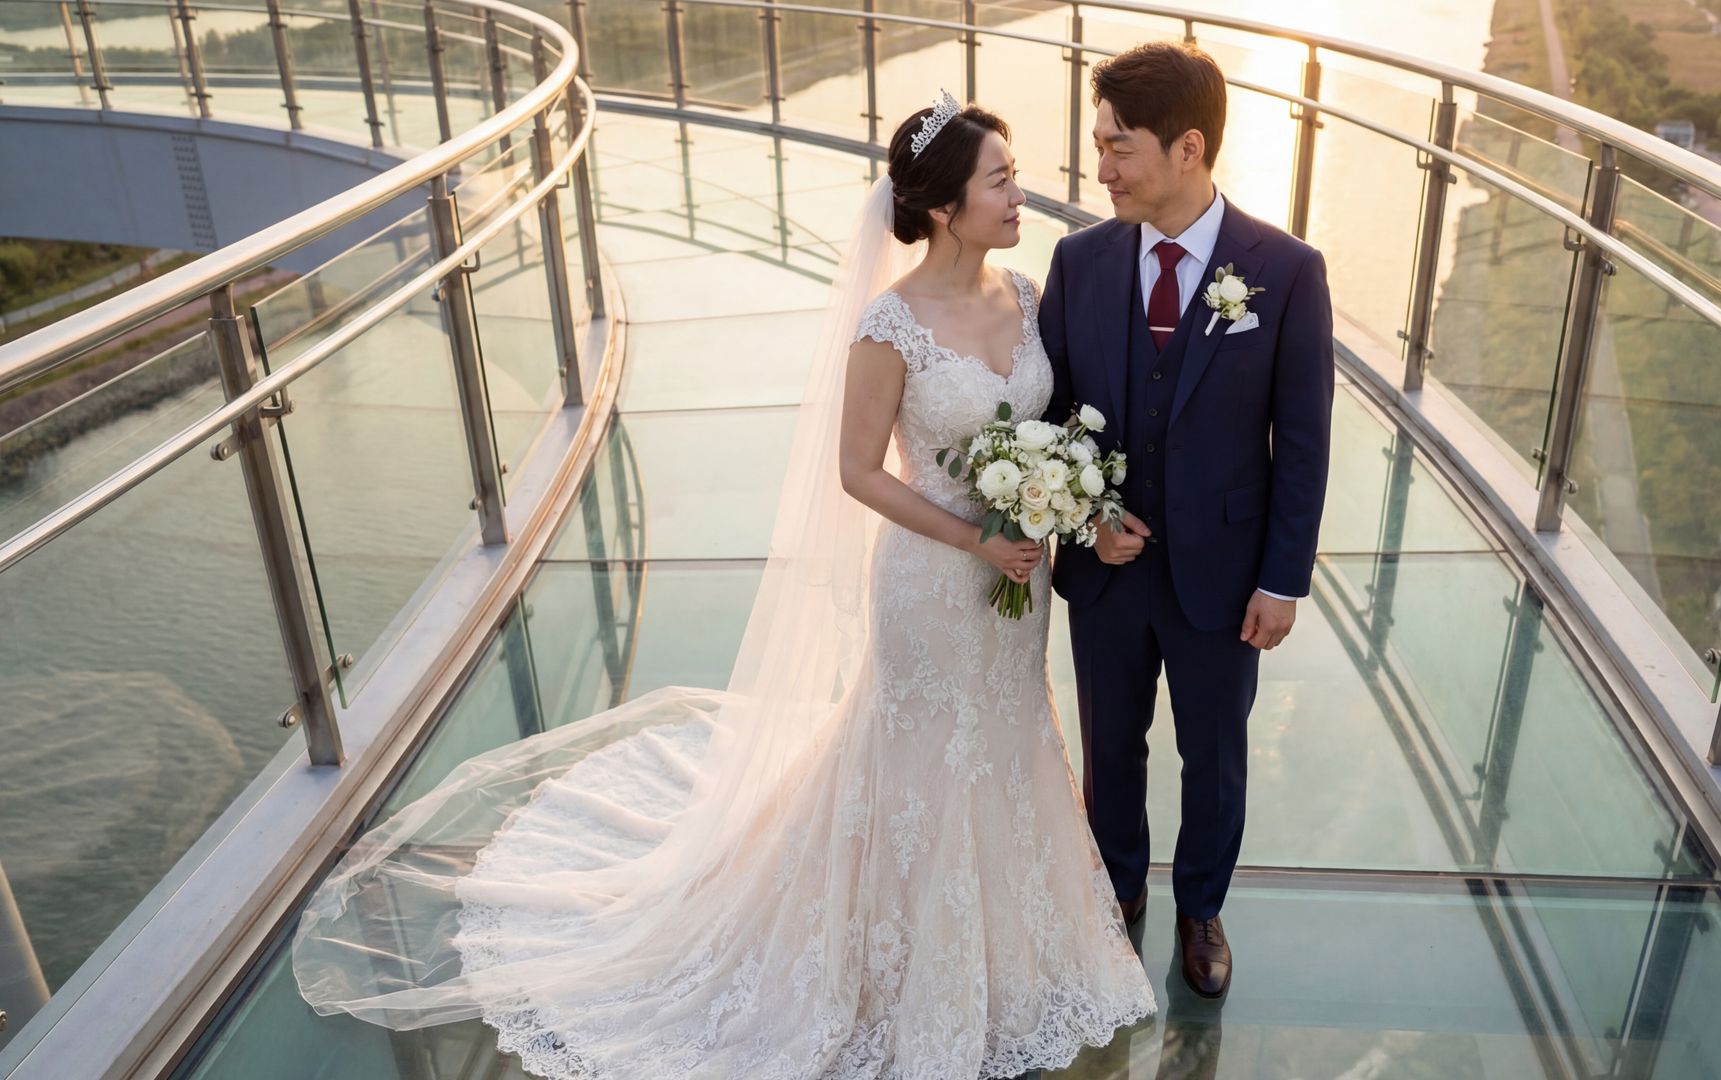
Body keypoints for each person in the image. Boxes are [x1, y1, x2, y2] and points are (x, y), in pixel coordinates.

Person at [288, 91, 1157, 1079]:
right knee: (924, 758)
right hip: (932, 582)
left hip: (1017, 588)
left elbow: (1046, 432)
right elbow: (859, 471)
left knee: (1008, 740)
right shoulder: (891, 323)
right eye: (1000, 178)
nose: (1019, 192)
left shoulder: (1030, 296)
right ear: (948, 206)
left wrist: (1065, 505)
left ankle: (1016, 951)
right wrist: (972, 537)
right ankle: (892, 967)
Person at [1039, 41, 1336, 1001]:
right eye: (1098, 143)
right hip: (1108, 573)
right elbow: (1052, 417)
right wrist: (1088, 520)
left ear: (1190, 148)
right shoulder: (1077, 261)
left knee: (1213, 754)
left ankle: (1200, 908)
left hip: (1227, 573)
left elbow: (1303, 438)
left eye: (1120, 147)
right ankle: (1117, 892)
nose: (1102, 167)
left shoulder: (1286, 271)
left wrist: (1283, 577)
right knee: (1108, 742)